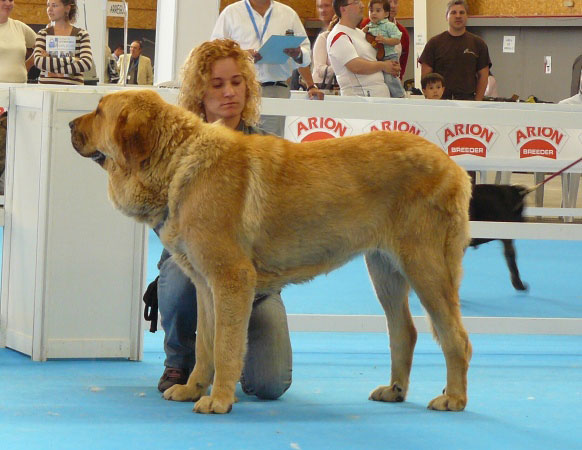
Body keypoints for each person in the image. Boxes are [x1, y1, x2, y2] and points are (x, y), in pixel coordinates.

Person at [153, 39, 292, 401]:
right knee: (185, 273)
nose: (229, 93)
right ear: (200, 92)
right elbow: (161, 224)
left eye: (237, 82)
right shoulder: (176, 151)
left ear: (248, 85)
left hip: (257, 280)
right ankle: (180, 361)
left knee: (270, 385)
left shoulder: (268, 146)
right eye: (217, 84)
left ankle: (228, 360)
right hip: (193, 269)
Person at [210, 0, 324, 137]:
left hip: (276, 89)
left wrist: (298, 54)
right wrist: (242, 55)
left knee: (272, 144)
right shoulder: (231, 13)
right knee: (236, 140)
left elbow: (305, 52)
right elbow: (215, 53)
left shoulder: (288, 14)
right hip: (240, 90)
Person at [419, 0, 490, 101]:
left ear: (467, 16)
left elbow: (483, 76)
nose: (458, 16)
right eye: (453, 12)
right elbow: (425, 77)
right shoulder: (434, 43)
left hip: (468, 102)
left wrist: (477, 102)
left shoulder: (479, 44)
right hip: (440, 102)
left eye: (462, 12)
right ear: (446, 17)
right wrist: (432, 99)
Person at [327, 0, 399, 97]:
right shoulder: (339, 36)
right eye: (356, 2)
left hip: (379, 97)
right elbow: (356, 66)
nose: (362, 6)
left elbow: (376, 58)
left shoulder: (361, 33)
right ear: (343, 9)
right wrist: (384, 66)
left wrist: (392, 65)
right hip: (360, 99)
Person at [33, 0, 93, 86]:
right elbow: (39, 62)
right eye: (48, 5)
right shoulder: (43, 34)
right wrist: (72, 60)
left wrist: (50, 64)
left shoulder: (81, 34)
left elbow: (86, 63)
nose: (49, 9)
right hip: (46, 91)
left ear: (67, 8)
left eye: (54, 6)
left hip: (72, 92)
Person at [363, 0, 405, 98]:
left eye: (378, 11)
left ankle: (400, 95)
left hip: (389, 56)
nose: (373, 13)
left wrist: (385, 40)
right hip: (377, 57)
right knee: (380, 79)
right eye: (371, 10)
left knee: (390, 78)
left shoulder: (389, 25)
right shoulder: (369, 26)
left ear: (386, 14)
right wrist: (363, 32)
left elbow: (397, 39)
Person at [0, 0, 37, 83]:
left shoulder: (20, 27)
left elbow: (42, 46)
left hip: (20, 87)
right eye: (3, 0)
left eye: (10, 0)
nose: (8, 3)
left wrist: (27, 65)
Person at [312, 0, 336, 88]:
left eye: (326, 6)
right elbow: (320, 69)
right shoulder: (323, 36)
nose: (323, 10)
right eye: (320, 7)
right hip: (322, 85)